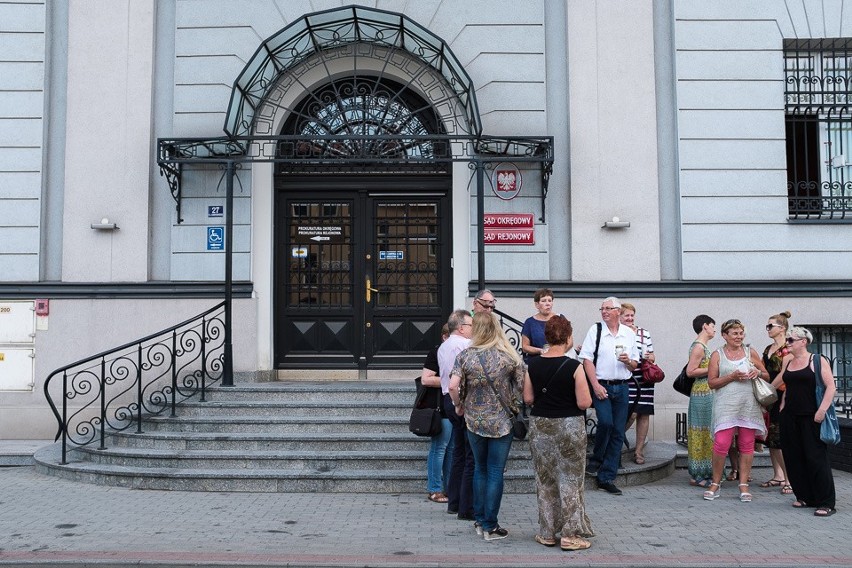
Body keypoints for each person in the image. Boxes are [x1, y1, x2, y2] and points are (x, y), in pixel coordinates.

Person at [449, 311, 525, 541]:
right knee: (495, 471)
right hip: (502, 422)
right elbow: (522, 388)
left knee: (480, 469)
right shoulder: (509, 356)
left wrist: (459, 405)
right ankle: (491, 526)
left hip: (474, 421)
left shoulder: (465, 356)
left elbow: (453, 385)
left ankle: (480, 520)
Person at [523, 316, 594, 551]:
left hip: (541, 426)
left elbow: (528, 398)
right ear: (568, 338)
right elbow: (584, 402)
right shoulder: (575, 367)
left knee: (545, 479)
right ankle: (570, 534)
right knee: (571, 479)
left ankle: (547, 532)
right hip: (569, 426)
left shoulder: (532, 365)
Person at [773, 326, 837, 517]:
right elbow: (786, 385)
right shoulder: (788, 361)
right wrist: (783, 405)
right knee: (794, 457)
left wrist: (822, 410)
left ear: (803, 341)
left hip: (811, 416)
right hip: (790, 416)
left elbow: (831, 387)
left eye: (791, 340)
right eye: (788, 340)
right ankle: (805, 496)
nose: (788, 343)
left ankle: (826, 502)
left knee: (815, 458)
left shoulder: (817, 360)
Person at [703, 319, 769, 503]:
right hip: (725, 404)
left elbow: (766, 375)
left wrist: (757, 372)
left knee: (747, 444)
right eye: (735, 333)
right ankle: (715, 483)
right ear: (725, 335)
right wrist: (732, 376)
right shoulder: (717, 354)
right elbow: (711, 382)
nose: (739, 337)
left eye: (741, 333)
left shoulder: (750, 352)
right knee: (721, 443)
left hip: (748, 403)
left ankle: (743, 484)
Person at [578, 296, 639, 496]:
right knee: (605, 423)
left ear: (618, 311)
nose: (604, 312)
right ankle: (596, 459)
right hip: (601, 385)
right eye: (602, 308)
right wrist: (594, 385)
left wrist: (628, 361)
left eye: (608, 308)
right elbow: (586, 359)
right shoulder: (595, 330)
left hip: (622, 386)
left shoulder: (628, 334)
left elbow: (635, 364)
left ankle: (607, 476)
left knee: (618, 431)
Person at [438, 309, 474, 519]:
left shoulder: (444, 346)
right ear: (461, 327)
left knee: (458, 453)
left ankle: (454, 500)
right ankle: (466, 506)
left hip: (447, 400)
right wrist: (460, 403)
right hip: (459, 400)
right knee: (469, 455)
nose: (472, 330)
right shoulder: (464, 345)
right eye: (470, 326)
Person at [759, 310, 792, 495]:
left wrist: (769, 389)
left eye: (771, 326)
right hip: (769, 394)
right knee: (771, 437)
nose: (768, 329)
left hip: (781, 395)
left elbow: (784, 374)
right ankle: (778, 475)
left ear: (782, 328)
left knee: (781, 437)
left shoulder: (787, 348)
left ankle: (789, 479)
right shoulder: (768, 349)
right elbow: (764, 369)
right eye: (767, 326)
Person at [619, 302, 655, 465]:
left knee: (644, 413)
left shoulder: (643, 333)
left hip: (644, 377)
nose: (630, 318)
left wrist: (650, 357)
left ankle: (639, 451)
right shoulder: (617, 333)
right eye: (626, 315)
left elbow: (653, 355)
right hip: (627, 376)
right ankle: (616, 439)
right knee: (630, 413)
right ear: (619, 316)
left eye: (632, 315)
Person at [421, 324, 452, 503]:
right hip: (441, 407)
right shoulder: (436, 353)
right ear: (444, 337)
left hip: (455, 406)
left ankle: (449, 487)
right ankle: (435, 488)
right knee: (440, 448)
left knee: (453, 449)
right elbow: (426, 379)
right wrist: (451, 381)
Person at [686, 314, 715, 487]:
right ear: (705, 326)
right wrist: (713, 368)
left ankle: (706, 471)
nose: (714, 329)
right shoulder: (699, 347)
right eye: (712, 325)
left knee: (706, 432)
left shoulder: (703, 346)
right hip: (701, 392)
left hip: (706, 392)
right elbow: (691, 371)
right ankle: (698, 473)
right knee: (701, 432)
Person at [521, 288, 564, 361]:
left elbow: (570, 341)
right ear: (537, 304)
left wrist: (558, 351)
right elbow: (525, 347)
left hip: (558, 360)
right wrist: (540, 351)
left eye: (550, 301)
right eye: (544, 301)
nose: (548, 304)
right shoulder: (530, 322)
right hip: (537, 361)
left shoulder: (560, 319)